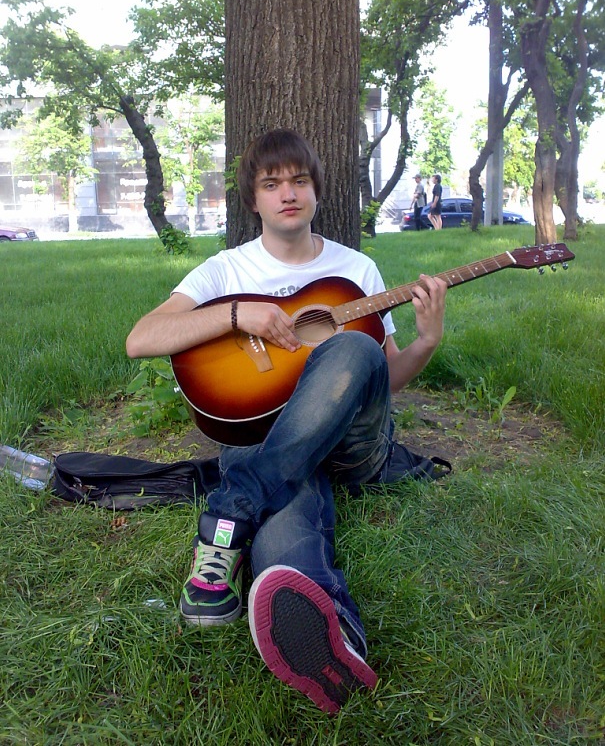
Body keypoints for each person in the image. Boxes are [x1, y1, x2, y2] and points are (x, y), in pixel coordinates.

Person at [126, 129, 447, 714]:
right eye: (272, 184)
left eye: (299, 181)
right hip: (269, 440)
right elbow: (141, 338)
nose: (288, 194)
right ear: (254, 200)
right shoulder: (227, 271)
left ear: (317, 190)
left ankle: (229, 514)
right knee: (289, 492)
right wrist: (236, 314)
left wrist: (425, 342)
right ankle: (336, 637)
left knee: (355, 348)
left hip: (352, 446)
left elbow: (383, 377)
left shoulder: (355, 270)